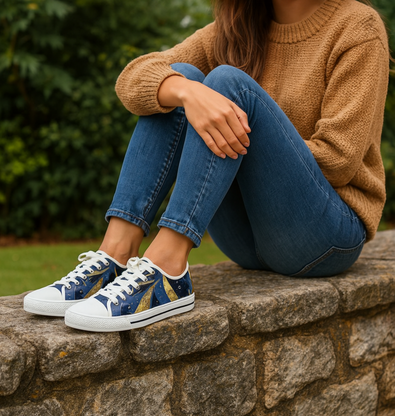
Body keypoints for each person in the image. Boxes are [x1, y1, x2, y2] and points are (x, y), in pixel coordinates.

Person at [24, 0, 389, 332]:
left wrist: (252, 137)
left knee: (229, 84)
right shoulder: (238, 26)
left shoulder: (357, 27)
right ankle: (115, 255)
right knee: (178, 77)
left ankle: (168, 269)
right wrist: (186, 92)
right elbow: (132, 80)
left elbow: (339, 160)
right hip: (244, 241)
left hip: (325, 236)